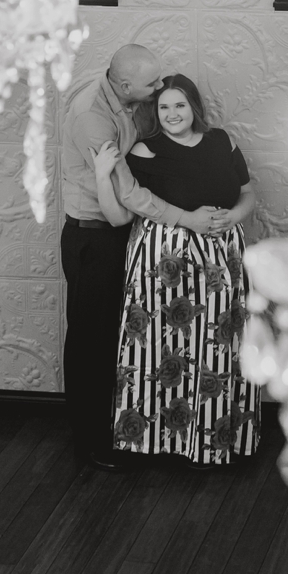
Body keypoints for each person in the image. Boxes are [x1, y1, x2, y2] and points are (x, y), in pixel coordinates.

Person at [90, 74, 262, 466]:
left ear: (194, 108)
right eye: (164, 106)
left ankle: (215, 442)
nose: (172, 114)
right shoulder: (143, 153)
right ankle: (158, 443)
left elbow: (248, 192)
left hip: (222, 257)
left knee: (218, 346)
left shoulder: (222, 142)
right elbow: (119, 215)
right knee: (159, 349)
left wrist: (232, 216)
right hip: (163, 264)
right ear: (155, 110)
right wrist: (103, 174)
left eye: (180, 105)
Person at [58, 44, 215, 469]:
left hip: (116, 233)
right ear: (125, 84)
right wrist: (186, 218)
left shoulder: (123, 95)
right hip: (92, 239)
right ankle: (88, 443)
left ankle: (108, 429)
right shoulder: (93, 118)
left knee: (114, 339)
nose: (160, 87)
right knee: (90, 344)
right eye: (152, 84)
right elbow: (124, 195)